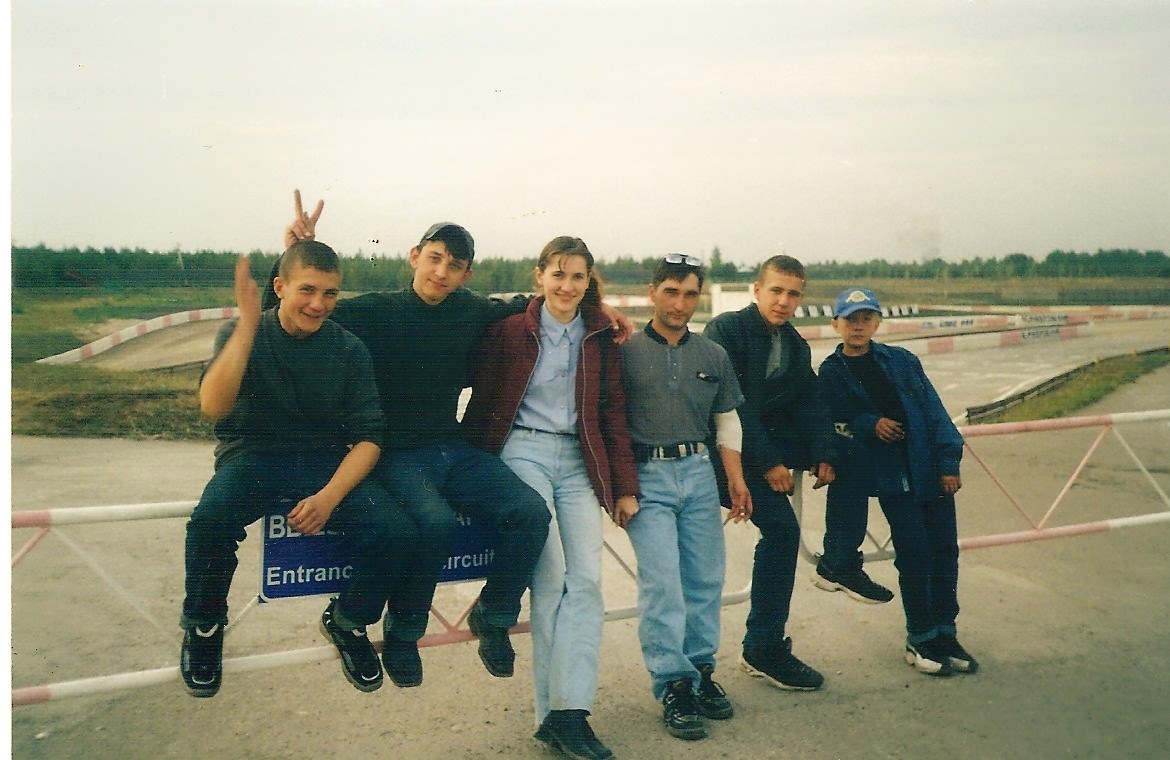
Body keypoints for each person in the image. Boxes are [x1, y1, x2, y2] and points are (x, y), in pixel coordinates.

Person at [283, 191, 631, 688]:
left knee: (530, 513)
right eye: (434, 258)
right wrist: (294, 251)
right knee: (436, 522)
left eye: (454, 265)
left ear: (467, 274)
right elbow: (302, 310)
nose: (441, 272)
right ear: (414, 257)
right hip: (394, 451)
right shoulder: (377, 311)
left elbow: (536, 304)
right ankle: (404, 633)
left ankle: (495, 613)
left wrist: (600, 309)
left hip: (452, 446)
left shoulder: (471, 310)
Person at [181, 243, 418, 697]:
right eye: (307, 290)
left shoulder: (348, 349)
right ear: (280, 287)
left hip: (320, 459)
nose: (318, 304)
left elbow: (369, 439)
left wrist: (329, 498)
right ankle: (204, 626)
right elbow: (212, 406)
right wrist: (247, 327)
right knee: (210, 522)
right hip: (252, 455)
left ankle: (348, 620)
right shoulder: (242, 331)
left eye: (330, 293)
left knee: (396, 532)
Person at [463, 236, 639, 760]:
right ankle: (553, 714)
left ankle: (570, 711)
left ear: (589, 282)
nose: (567, 285)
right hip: (524, 451)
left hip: (579, 460)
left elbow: (612, 411)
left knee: (587, 581)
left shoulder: (600, 336)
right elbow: (478, 397)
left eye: (577, 276)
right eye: (558, 274)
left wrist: (624, 486)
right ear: (539, 275)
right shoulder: (509, 331)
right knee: (552, 576)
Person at [620, 254, 752, 741]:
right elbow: (608, 421)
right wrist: (620, 486)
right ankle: (673, 683)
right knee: (662, 584)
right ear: (653, 292)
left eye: (690, 294)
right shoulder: (624, 352)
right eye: (671, 292)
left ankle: (700, 671)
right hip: (646, 476)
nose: (680, 304)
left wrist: (735, 480)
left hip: (698, 474)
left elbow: (727, 420)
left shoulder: (713, 355)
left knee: (704, 579)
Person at [819, 287, 977, 676]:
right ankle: (920, 637)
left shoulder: (903, 361)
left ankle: (946, 634)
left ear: (877, 322)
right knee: (915, 554)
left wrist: (948, 461)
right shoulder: (832, 371)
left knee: (945, 552)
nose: (858, 327)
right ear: (835, 324)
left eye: (866, 318)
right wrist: (869, 423)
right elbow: (835, 419)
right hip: (892, 477)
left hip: (929, 470)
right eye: (850, 319)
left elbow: (934, 410)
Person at [702, 254, 835, 691]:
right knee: (773, 534)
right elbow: (730, 402)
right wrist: (769, 463)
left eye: (793, 294)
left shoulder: (794, 344)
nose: (783, 301)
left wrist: (823, 452)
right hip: (713, 457)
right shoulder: (726, 330)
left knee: (782, 532)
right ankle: (743, 653)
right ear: (756, 290)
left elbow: (811, 400)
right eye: (775, 290)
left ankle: (765, 644)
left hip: (754, 455)